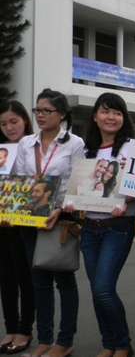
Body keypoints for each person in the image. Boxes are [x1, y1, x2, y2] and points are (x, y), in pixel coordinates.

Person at [63, 92, 135, 357]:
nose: (111, 117)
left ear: (123, 118)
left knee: (104, 290)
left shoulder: (132, 148)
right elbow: (78, 189)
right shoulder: (86, 151)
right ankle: (110, 344)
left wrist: (125, 196)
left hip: (118, 226)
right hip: (90, 229)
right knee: (97, 291)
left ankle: (123, 344)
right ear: (95, 116)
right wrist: (72, 203)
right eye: (105, 111)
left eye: (117, 112)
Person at [16, 89, 85, 357]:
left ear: (63, 114)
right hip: (29, 219)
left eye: (47, 111)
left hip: (60, 220)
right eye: (37, 110)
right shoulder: (26, 143)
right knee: (39, 282)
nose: (40, 115)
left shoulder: (74, 143)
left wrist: (58, 209)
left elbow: (75, 181)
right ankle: (44, 339)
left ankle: (64, 341)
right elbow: (21, 180)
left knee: (64, 280)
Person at [0, 101, 35, 354]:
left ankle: (25, 330)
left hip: (25, 221)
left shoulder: (34, 147)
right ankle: (10, 328)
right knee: (5, 278)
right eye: (3, 123)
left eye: (14, 121)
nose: (9, 127)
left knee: (26, 277)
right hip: (1, 223)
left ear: (25, 119)